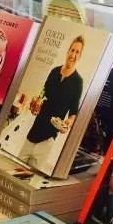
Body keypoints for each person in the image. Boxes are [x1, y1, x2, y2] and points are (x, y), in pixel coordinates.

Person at [16, 36, 85, 172]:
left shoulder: (78, 81)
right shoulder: (54, 71)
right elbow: (42, 95)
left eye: (77, 52)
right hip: (35, 130)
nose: (73, 54)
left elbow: (73, 112)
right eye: (72, 50)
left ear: (80, 56)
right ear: (67, 51)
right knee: (17, 168)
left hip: (48, 138)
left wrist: (67, 124)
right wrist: (35, 105)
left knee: (30, 175)